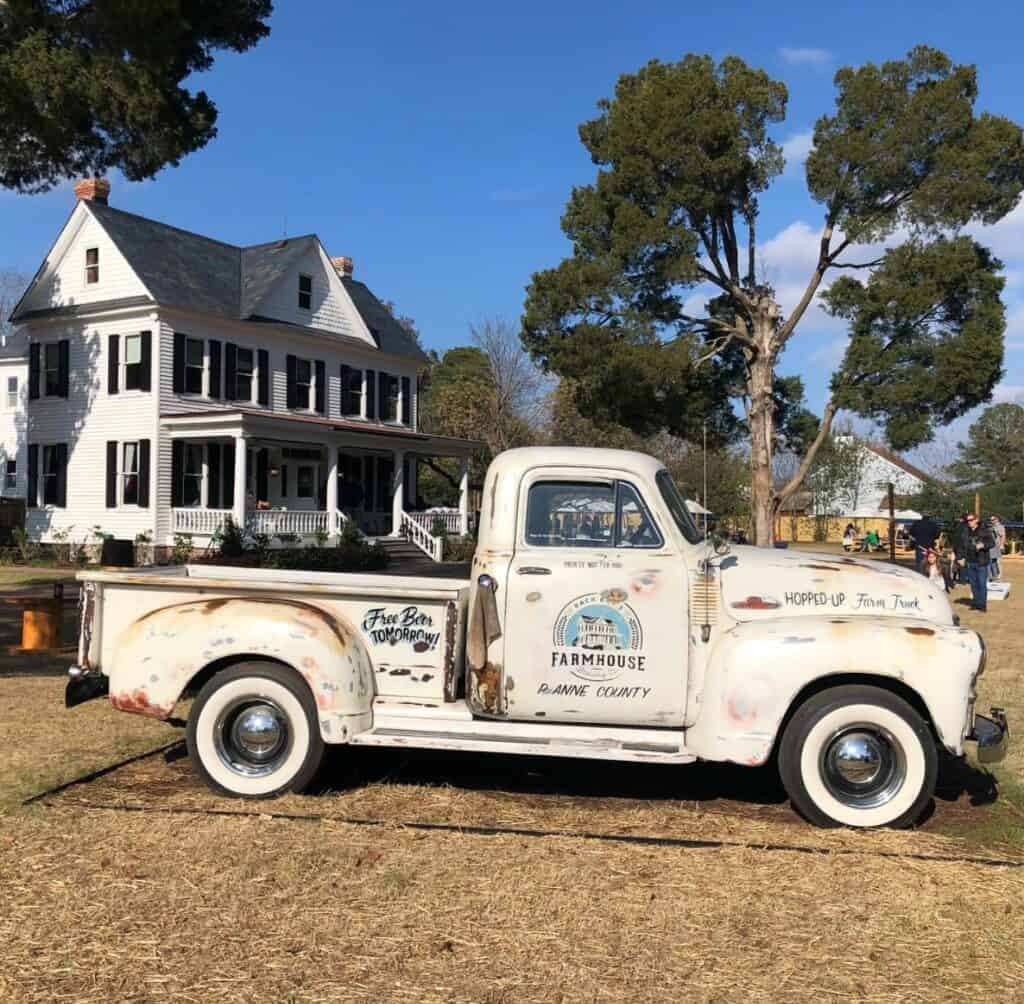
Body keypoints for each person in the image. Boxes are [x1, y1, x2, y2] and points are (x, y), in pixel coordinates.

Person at [960, 513, 996, 612]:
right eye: (967, 521)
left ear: (977, 520)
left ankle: (982, 605)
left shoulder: (984, 530)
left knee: (981, 584)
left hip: (981, 562)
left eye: (971, 520)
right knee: (973, 584)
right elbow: (962, 546)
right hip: (970, 561)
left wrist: (983, 545)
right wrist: (961, 557)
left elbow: (992, 543)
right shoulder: (965, 531)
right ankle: (975, 603)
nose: (969, 522)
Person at [989, 515, 1006, 580]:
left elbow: (1003, 536)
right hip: (991, 546)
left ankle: (999, 574)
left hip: (998, 545)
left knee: (998, 561)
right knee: (992, 561)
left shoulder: (1000, 527)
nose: (991, 521)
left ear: (997, 519)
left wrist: (1002, 545)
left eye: (993, 519)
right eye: (991, 520)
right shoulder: (991, 526)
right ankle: (993, 574)